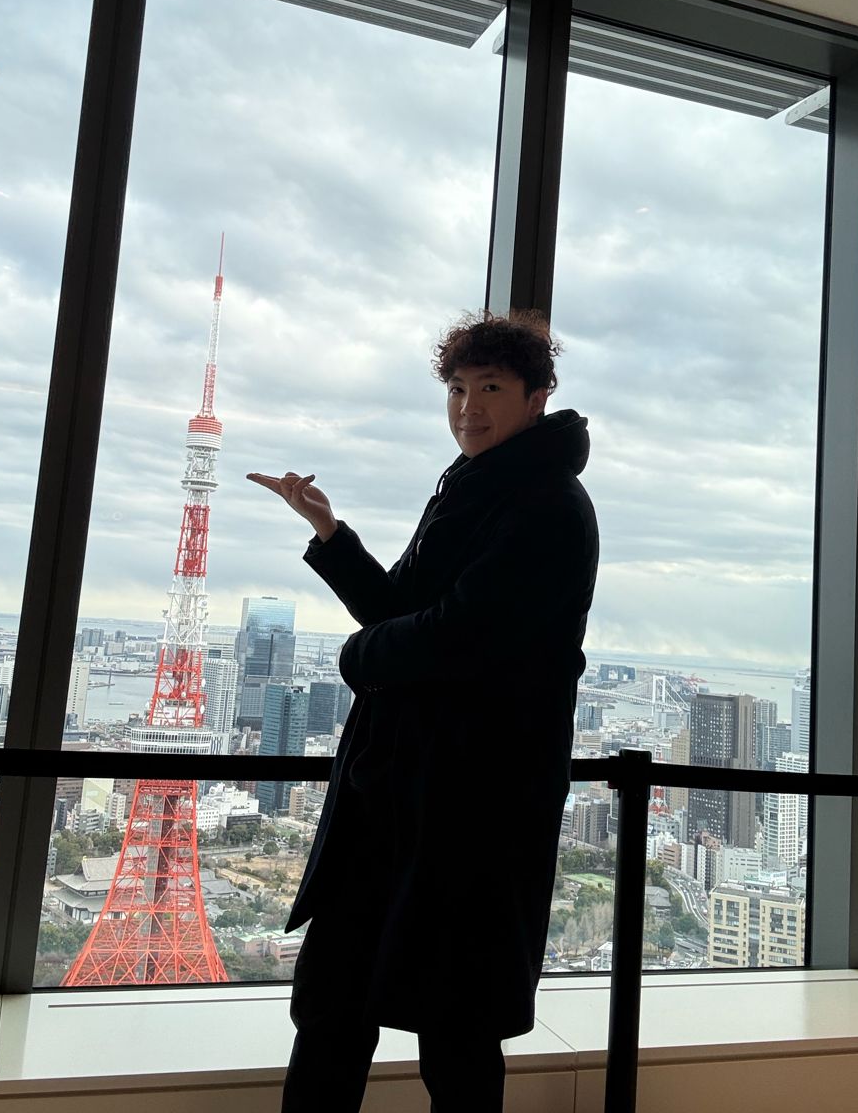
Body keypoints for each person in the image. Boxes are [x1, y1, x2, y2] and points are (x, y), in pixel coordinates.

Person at [247, 308, 598, 1113]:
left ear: (536, 398)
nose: (468, 408)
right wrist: (330, 534)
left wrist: (354, 661)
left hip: (472, 797)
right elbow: (399, 609)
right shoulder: (472, 488)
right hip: (398, 788)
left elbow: (458, 634)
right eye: (456, 389)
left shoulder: (546, 504)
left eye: (490, 389)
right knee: (336, 1004)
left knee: (454, 1026)